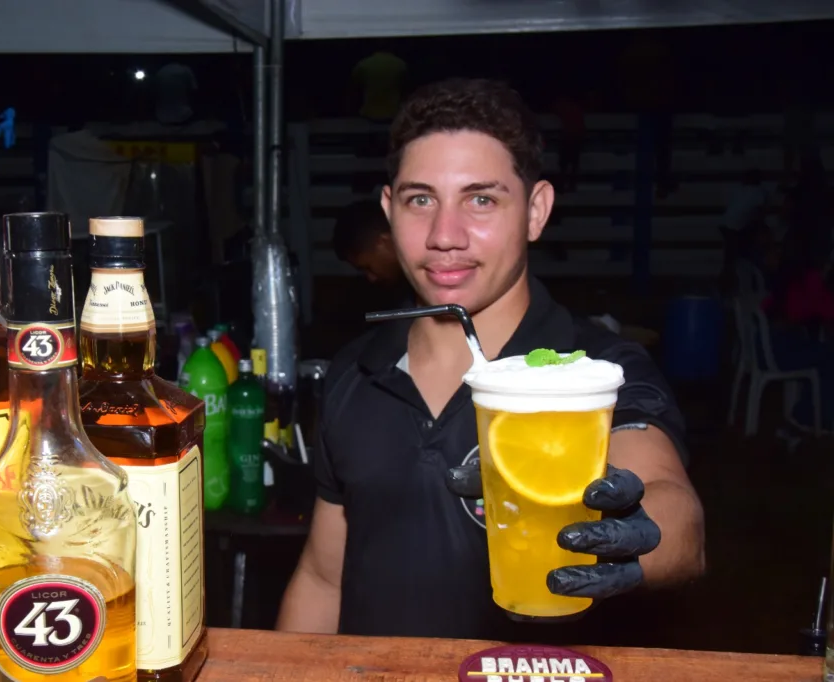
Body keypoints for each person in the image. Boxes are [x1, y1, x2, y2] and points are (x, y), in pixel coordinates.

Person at [276, 78, 705, 640]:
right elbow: (323, 577)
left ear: (535, 210)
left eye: (481, 199)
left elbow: (675, 512)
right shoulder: (353, 371)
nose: (444, 235)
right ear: (389, 209)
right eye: (420, 199)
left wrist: (642, 533)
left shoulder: (591, 369)